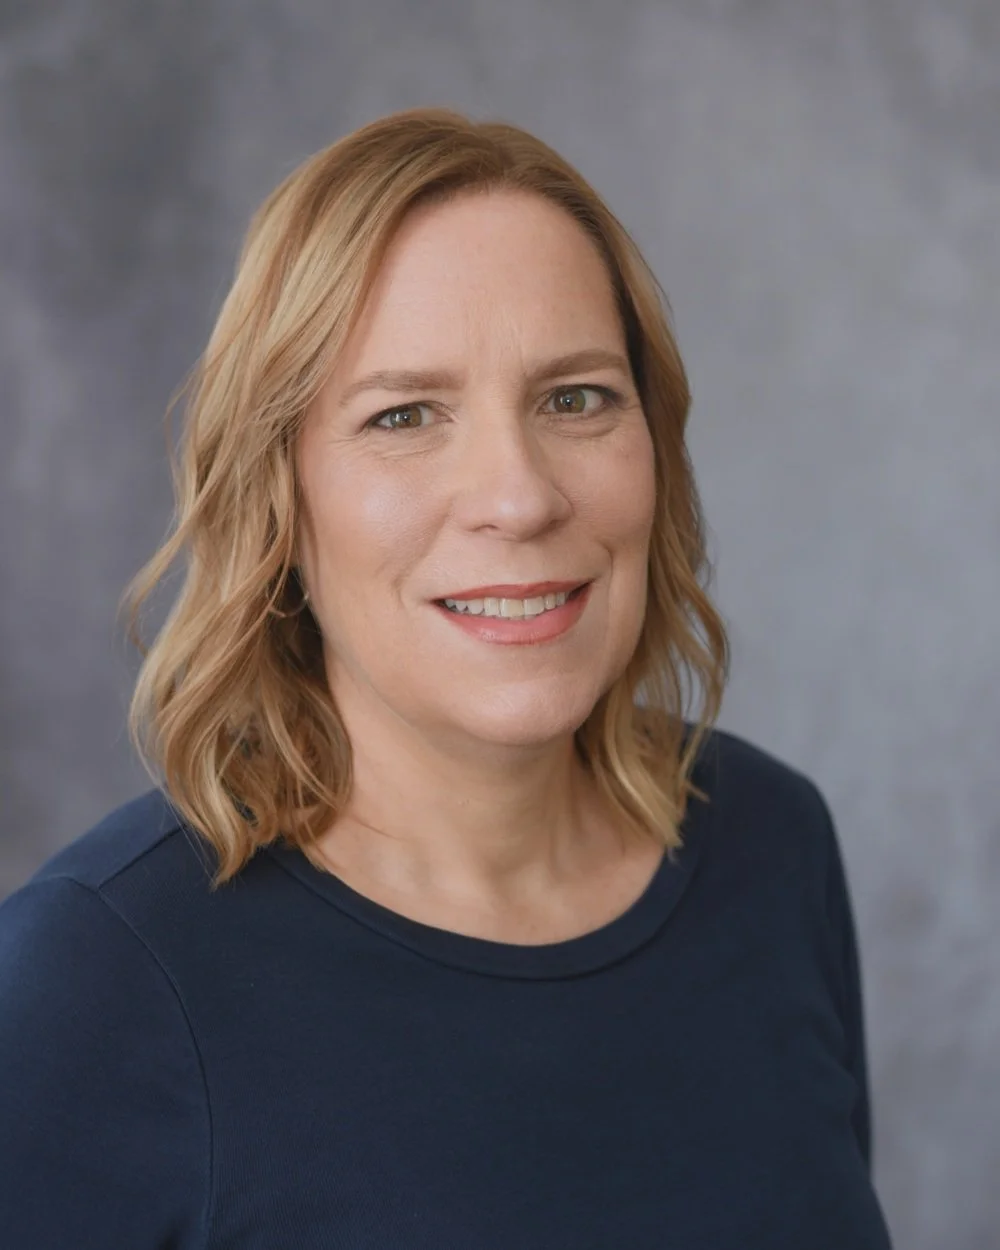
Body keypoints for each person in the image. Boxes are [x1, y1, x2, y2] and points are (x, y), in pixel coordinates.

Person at [0, 107, 893, 1249]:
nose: (518, 497)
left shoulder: (770, 843)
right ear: (280, 497)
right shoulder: (96, 979)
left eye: (575, 397)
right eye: (405, 415)